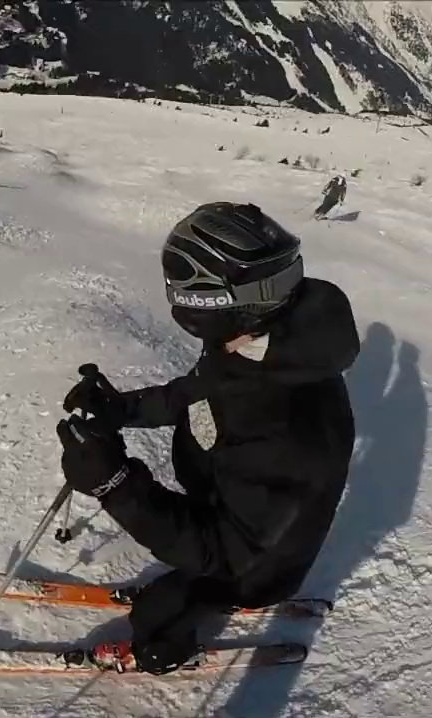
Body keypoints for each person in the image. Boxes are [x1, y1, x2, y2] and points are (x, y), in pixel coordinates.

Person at [56, 201, 360, 674]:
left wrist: (115, 485)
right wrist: (123, 410)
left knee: (157, 611)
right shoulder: (263, 339)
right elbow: (197, 390)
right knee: (178, 575)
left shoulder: (285, 430)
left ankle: (162, 651)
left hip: (256, 567)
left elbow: (225, 552)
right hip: (231, 504)